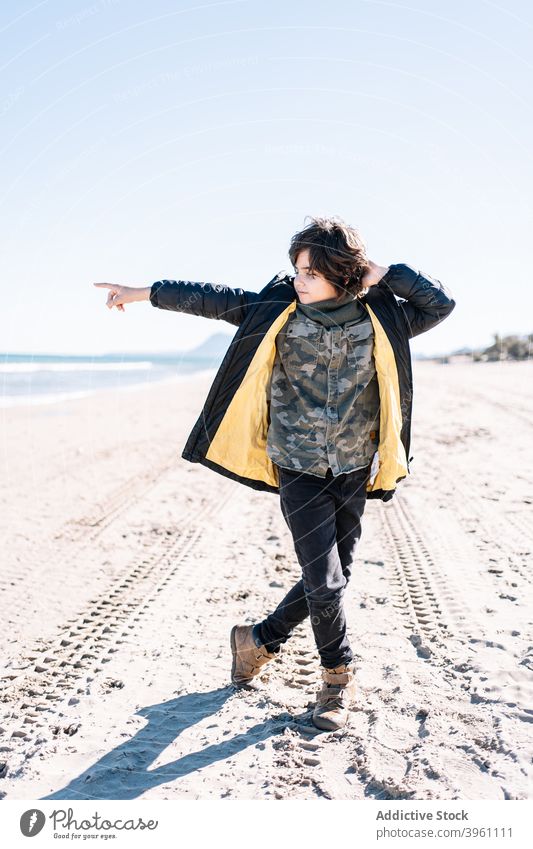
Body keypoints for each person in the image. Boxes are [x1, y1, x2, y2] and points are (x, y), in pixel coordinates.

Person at [94, 215, 456, 732]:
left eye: (310, 271)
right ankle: (336, 678)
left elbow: (439, 304)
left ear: (342, 273)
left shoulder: (382, 316)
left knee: (335, 575)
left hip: (354, 463)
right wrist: (141, 292)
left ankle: (258, 639)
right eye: (297, 269)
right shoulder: (278, 310)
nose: (298, 279)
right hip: (298, 465)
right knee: (327, 582)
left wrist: (383, 273)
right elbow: (209, 297)